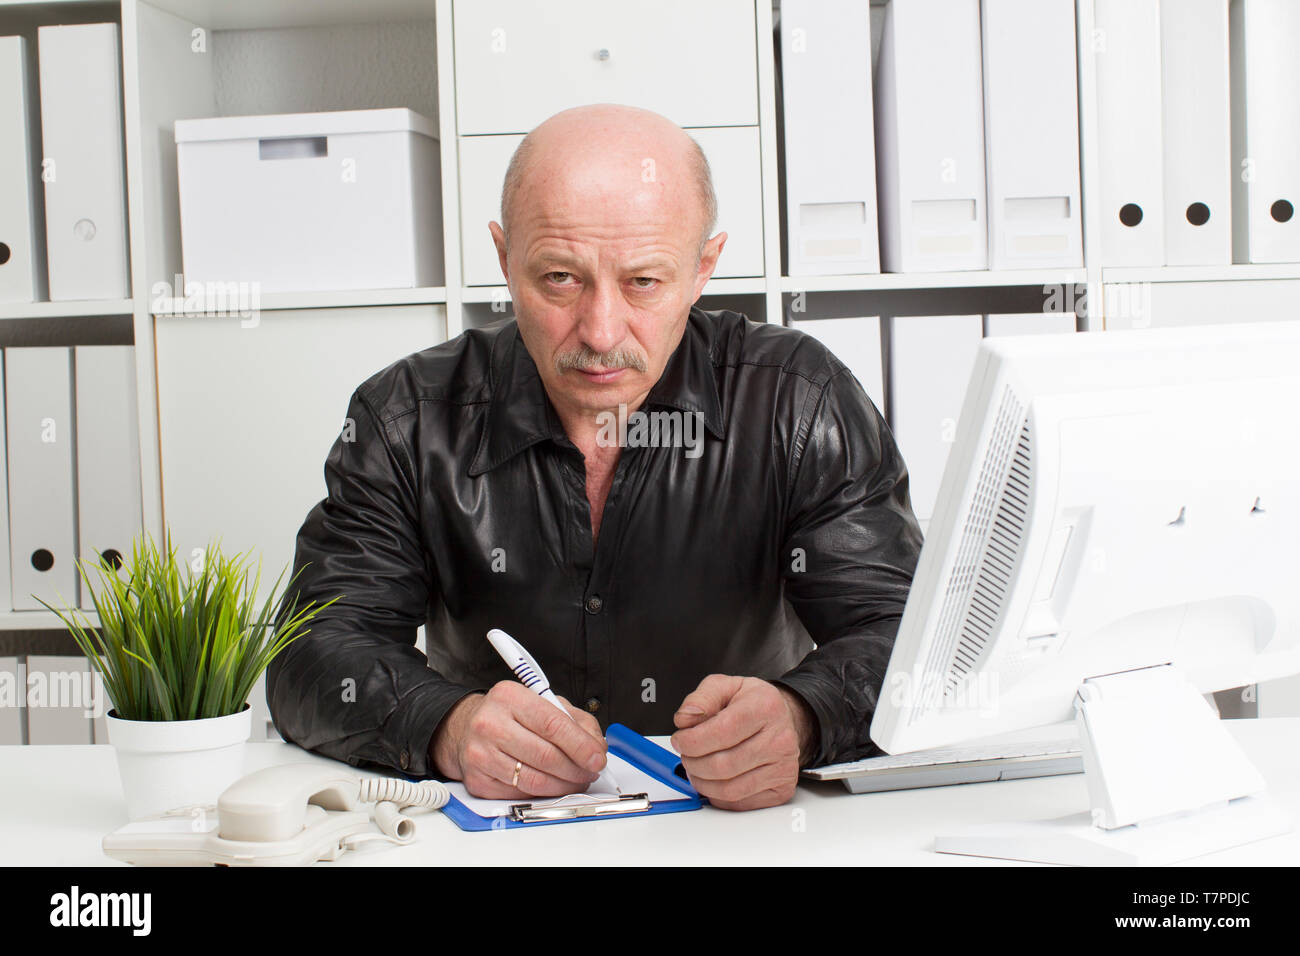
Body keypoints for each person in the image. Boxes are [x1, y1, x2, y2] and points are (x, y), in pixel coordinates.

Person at [266, 103, 923, 811]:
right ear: (503, 259)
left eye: (643, 281)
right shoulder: (405, 417)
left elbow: (908, 637)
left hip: (737, 839)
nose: (601, 331)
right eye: (559, 279)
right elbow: (315, 649)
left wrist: (803, 716)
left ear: (703, 269)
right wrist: (446, 727)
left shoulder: (799, 403)